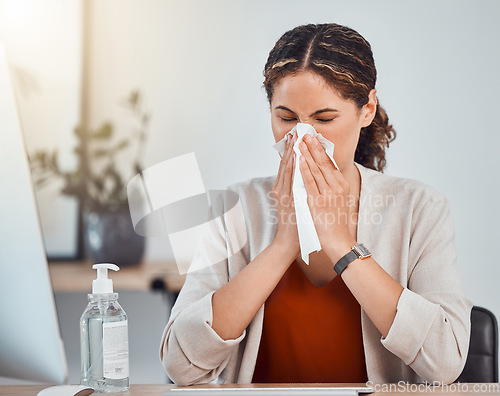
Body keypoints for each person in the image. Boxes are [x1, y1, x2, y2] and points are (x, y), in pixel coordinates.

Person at [159, 23, 472, 385]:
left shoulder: (420, 209)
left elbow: (447, 362)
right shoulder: (234, 212)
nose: (303, 137)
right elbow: (180, 365)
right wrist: (283, 244)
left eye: (324, 119)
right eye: (287, 118)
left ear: (367, 109)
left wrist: (341, 245)